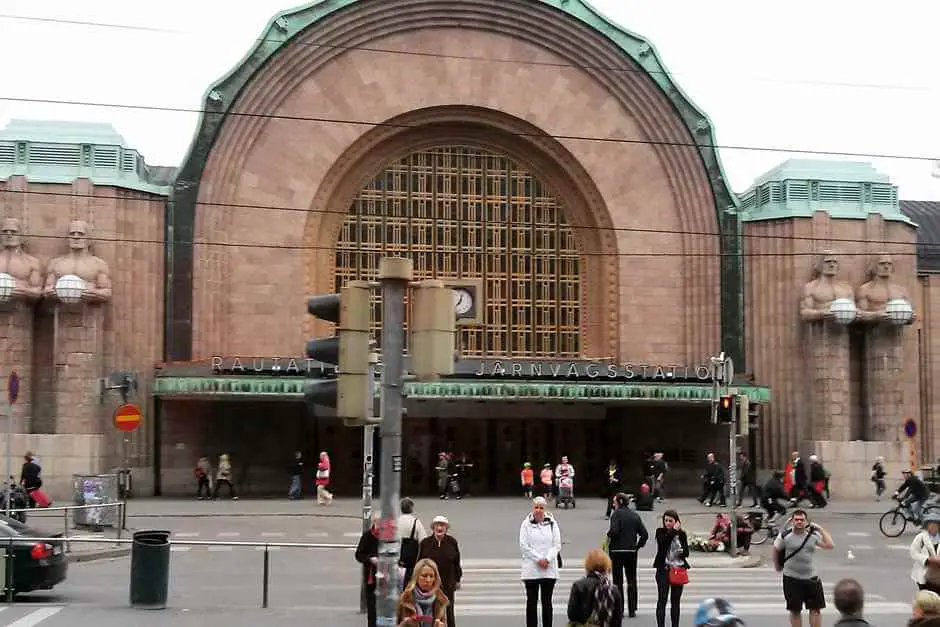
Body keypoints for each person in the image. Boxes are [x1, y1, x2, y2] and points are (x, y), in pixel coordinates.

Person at [772, 509, 834, 627]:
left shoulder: (812, 536)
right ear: (792, 521)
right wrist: (777, 566)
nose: (799, 522)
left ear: (806, 522)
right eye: (796, 520)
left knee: (815, 610)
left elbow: (830, 545)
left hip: (811, 578)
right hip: (791, 578)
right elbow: (776, 549)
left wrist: (819, 529)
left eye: (802, 520)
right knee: (795, 611)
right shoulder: (785, 536)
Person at [520, 496, 562, 627]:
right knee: (531, 603)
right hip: (531, 569)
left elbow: (557, 544)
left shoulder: (552, 523)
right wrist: (538, 559)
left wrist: (547, 559)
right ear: (533, 508)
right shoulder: (526, 524)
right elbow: (524, 546)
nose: (538, 510)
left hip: (548, 569)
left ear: (545, 509)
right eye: (536, 507)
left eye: (541, 508)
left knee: (547, 602)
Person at [607, 492, 649, 617]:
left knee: (617, 581)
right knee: (631, 580)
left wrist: (609, 535)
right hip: (631, 552)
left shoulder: (616, 515)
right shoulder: (634, 515)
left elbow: (614, 531)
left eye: (614, 501)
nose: (613, 504)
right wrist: (638, 546)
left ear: (619, 502)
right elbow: (644, 534)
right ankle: (632, 609)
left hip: (617, 552)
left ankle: (619, 609)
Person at [418, 516, 462, 627]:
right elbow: (419, 564)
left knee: (449, 610)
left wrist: (457, 580)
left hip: (448, 582)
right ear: (433, 528)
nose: (440, 528)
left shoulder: (452, 542)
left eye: (442, 525)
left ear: (446, 528)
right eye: (437, 525)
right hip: (430, 583)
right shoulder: (425, 543)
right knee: (431, 610)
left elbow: (456, 562)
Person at [566, 548, 623, 627]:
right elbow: (617, 620)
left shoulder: (578, 585)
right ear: (606, 566)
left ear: (587, 565)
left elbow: (572, 615)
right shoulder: (613, 589)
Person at [653, 509, 689, 627]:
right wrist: (673, 531)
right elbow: (663, 544)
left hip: (677, 570)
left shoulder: (682, 534)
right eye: (666, 520)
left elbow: (686, 553)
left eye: (671, 521)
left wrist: (681, 551)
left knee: (675, 602)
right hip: (664, 570)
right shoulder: (660, 532)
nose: (668, 523)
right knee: (662, 600)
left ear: (676, 521)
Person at [397, 557, 449, 627]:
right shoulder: (404, 599)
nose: (428, 580)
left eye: (431, 576)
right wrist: (405, 624)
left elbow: (444, 623)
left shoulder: (440, 600)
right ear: (416, 577)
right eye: (424, 576)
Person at [355, 513, 381, 627]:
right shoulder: (367, 536)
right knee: (372, 608)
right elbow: (359, 555)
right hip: (372, 578)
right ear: (374, 523)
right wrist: (370, 559)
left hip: (386, 577)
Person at [398, 497, 428, 585]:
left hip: (398, 556)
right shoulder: (416, 522)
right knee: (410, 580)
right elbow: (423, 540)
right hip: (412, 558)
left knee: (398, 582)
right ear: (411, 508)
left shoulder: (396, 521)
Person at [910, 511, 940, 594]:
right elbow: (913, 552)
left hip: (938, 574)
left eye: (935, 524)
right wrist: (927, 560)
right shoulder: (921, 537)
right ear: (927, 526)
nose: (933, 527)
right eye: (930, 524)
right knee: (926, 598)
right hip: (924, 573)